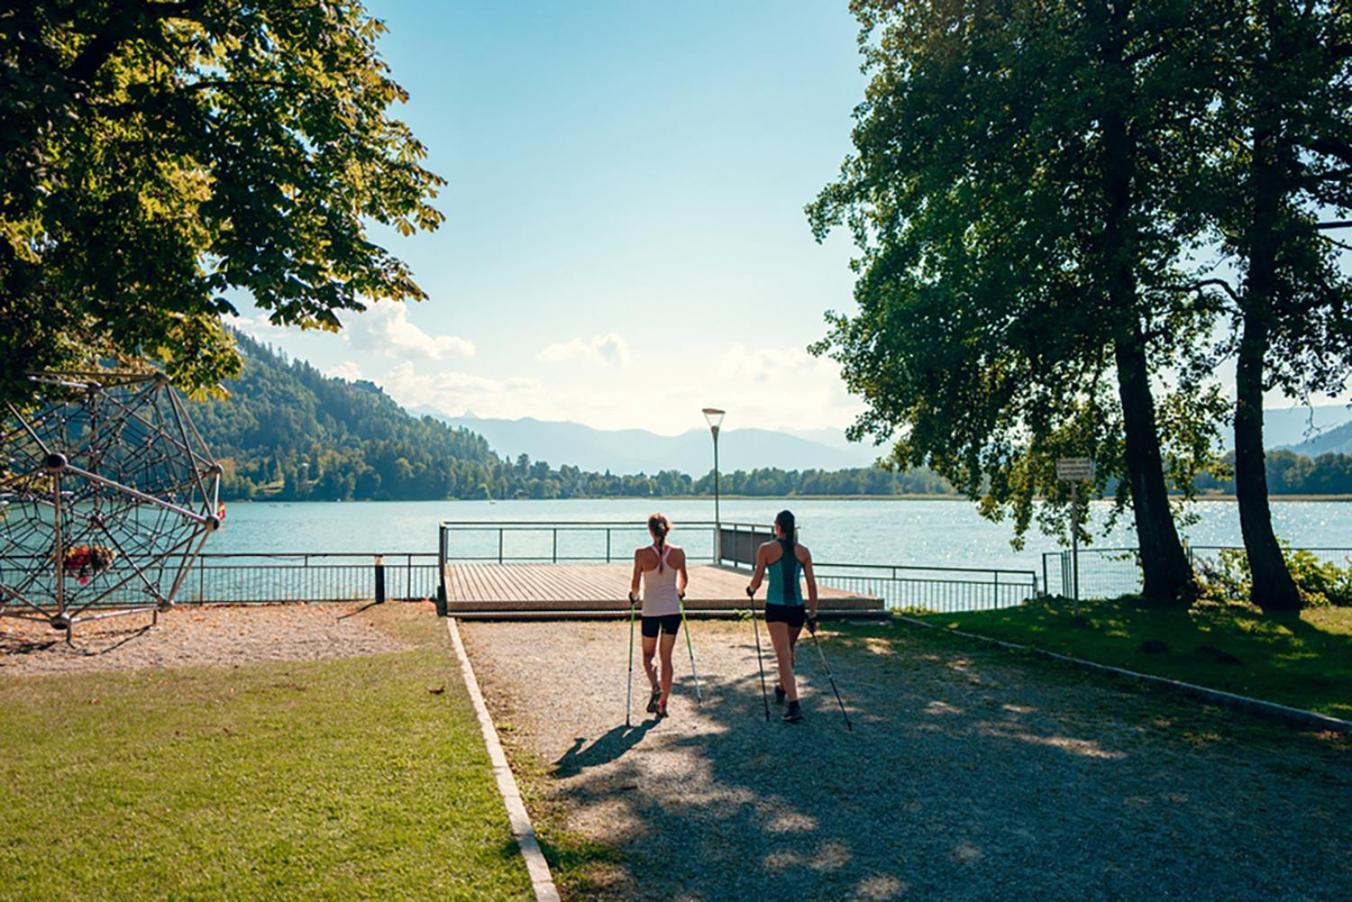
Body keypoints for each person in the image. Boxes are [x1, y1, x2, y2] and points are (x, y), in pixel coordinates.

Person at [747, 509, 818, 723]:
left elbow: (757, 580)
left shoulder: (766, 549)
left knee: (784, 655)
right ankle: (781, 687)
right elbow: (812, 585)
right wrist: (813, 613)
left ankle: (794, 703)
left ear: (777, 526)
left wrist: (750, 589)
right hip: (796, 608)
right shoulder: (803, 552)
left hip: (776, 608)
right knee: (787, 652)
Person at [629, 513, 688, 719]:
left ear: (650, 530)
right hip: (672, 610)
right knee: (667, 659)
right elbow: (683, 582)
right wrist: (679, 592)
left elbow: (635, 585)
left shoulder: (641, 554)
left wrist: (634, 597)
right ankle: (663, 704)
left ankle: (655, 687)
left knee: (648, 655)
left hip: (651, 611)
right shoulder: (679, 553)